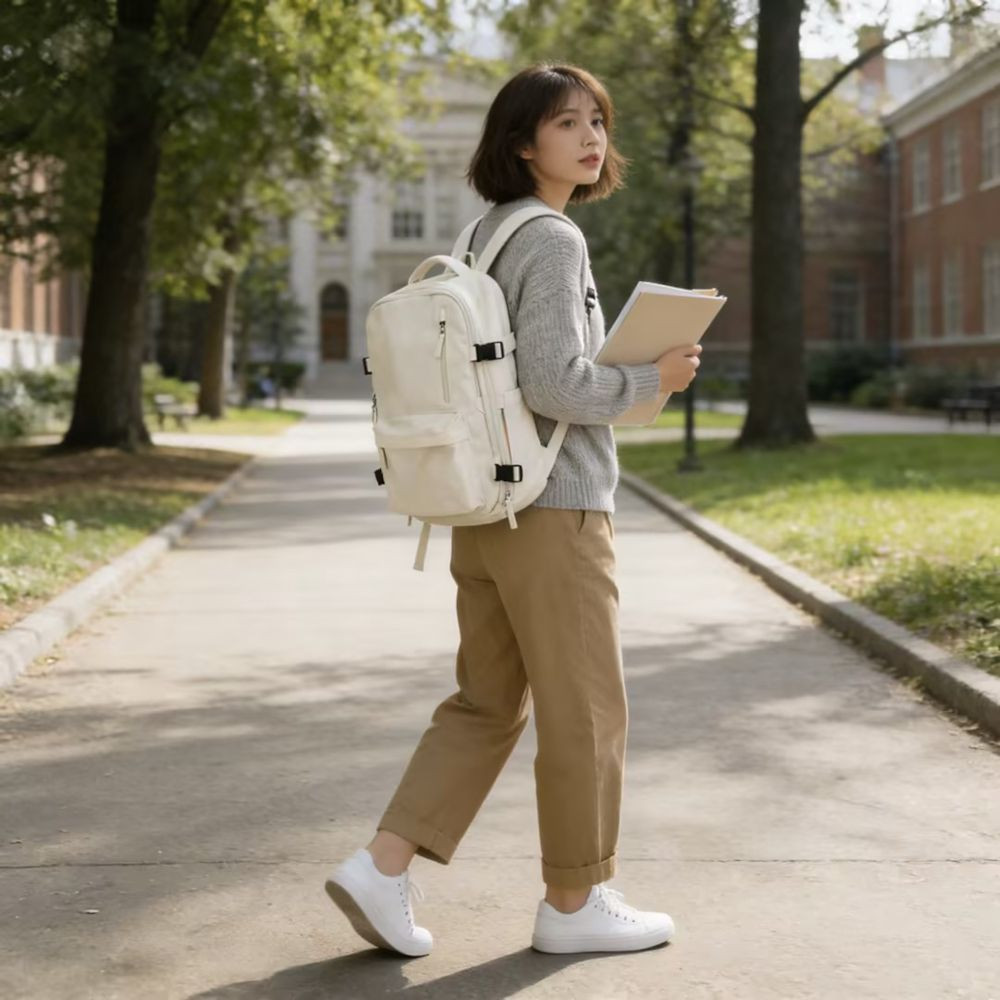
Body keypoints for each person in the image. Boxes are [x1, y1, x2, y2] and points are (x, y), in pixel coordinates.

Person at [325, 63, 702, 957]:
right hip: (554, 508)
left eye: (598, 121)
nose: (591, 137)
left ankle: (382, 868)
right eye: (567, 123)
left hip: (484, 510)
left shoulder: (485, 233)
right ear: (522, 142)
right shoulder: (556, 240)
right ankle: (575, 903)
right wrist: (655, 378)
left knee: (486, 703)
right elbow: (554, 381)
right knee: (586, 708)